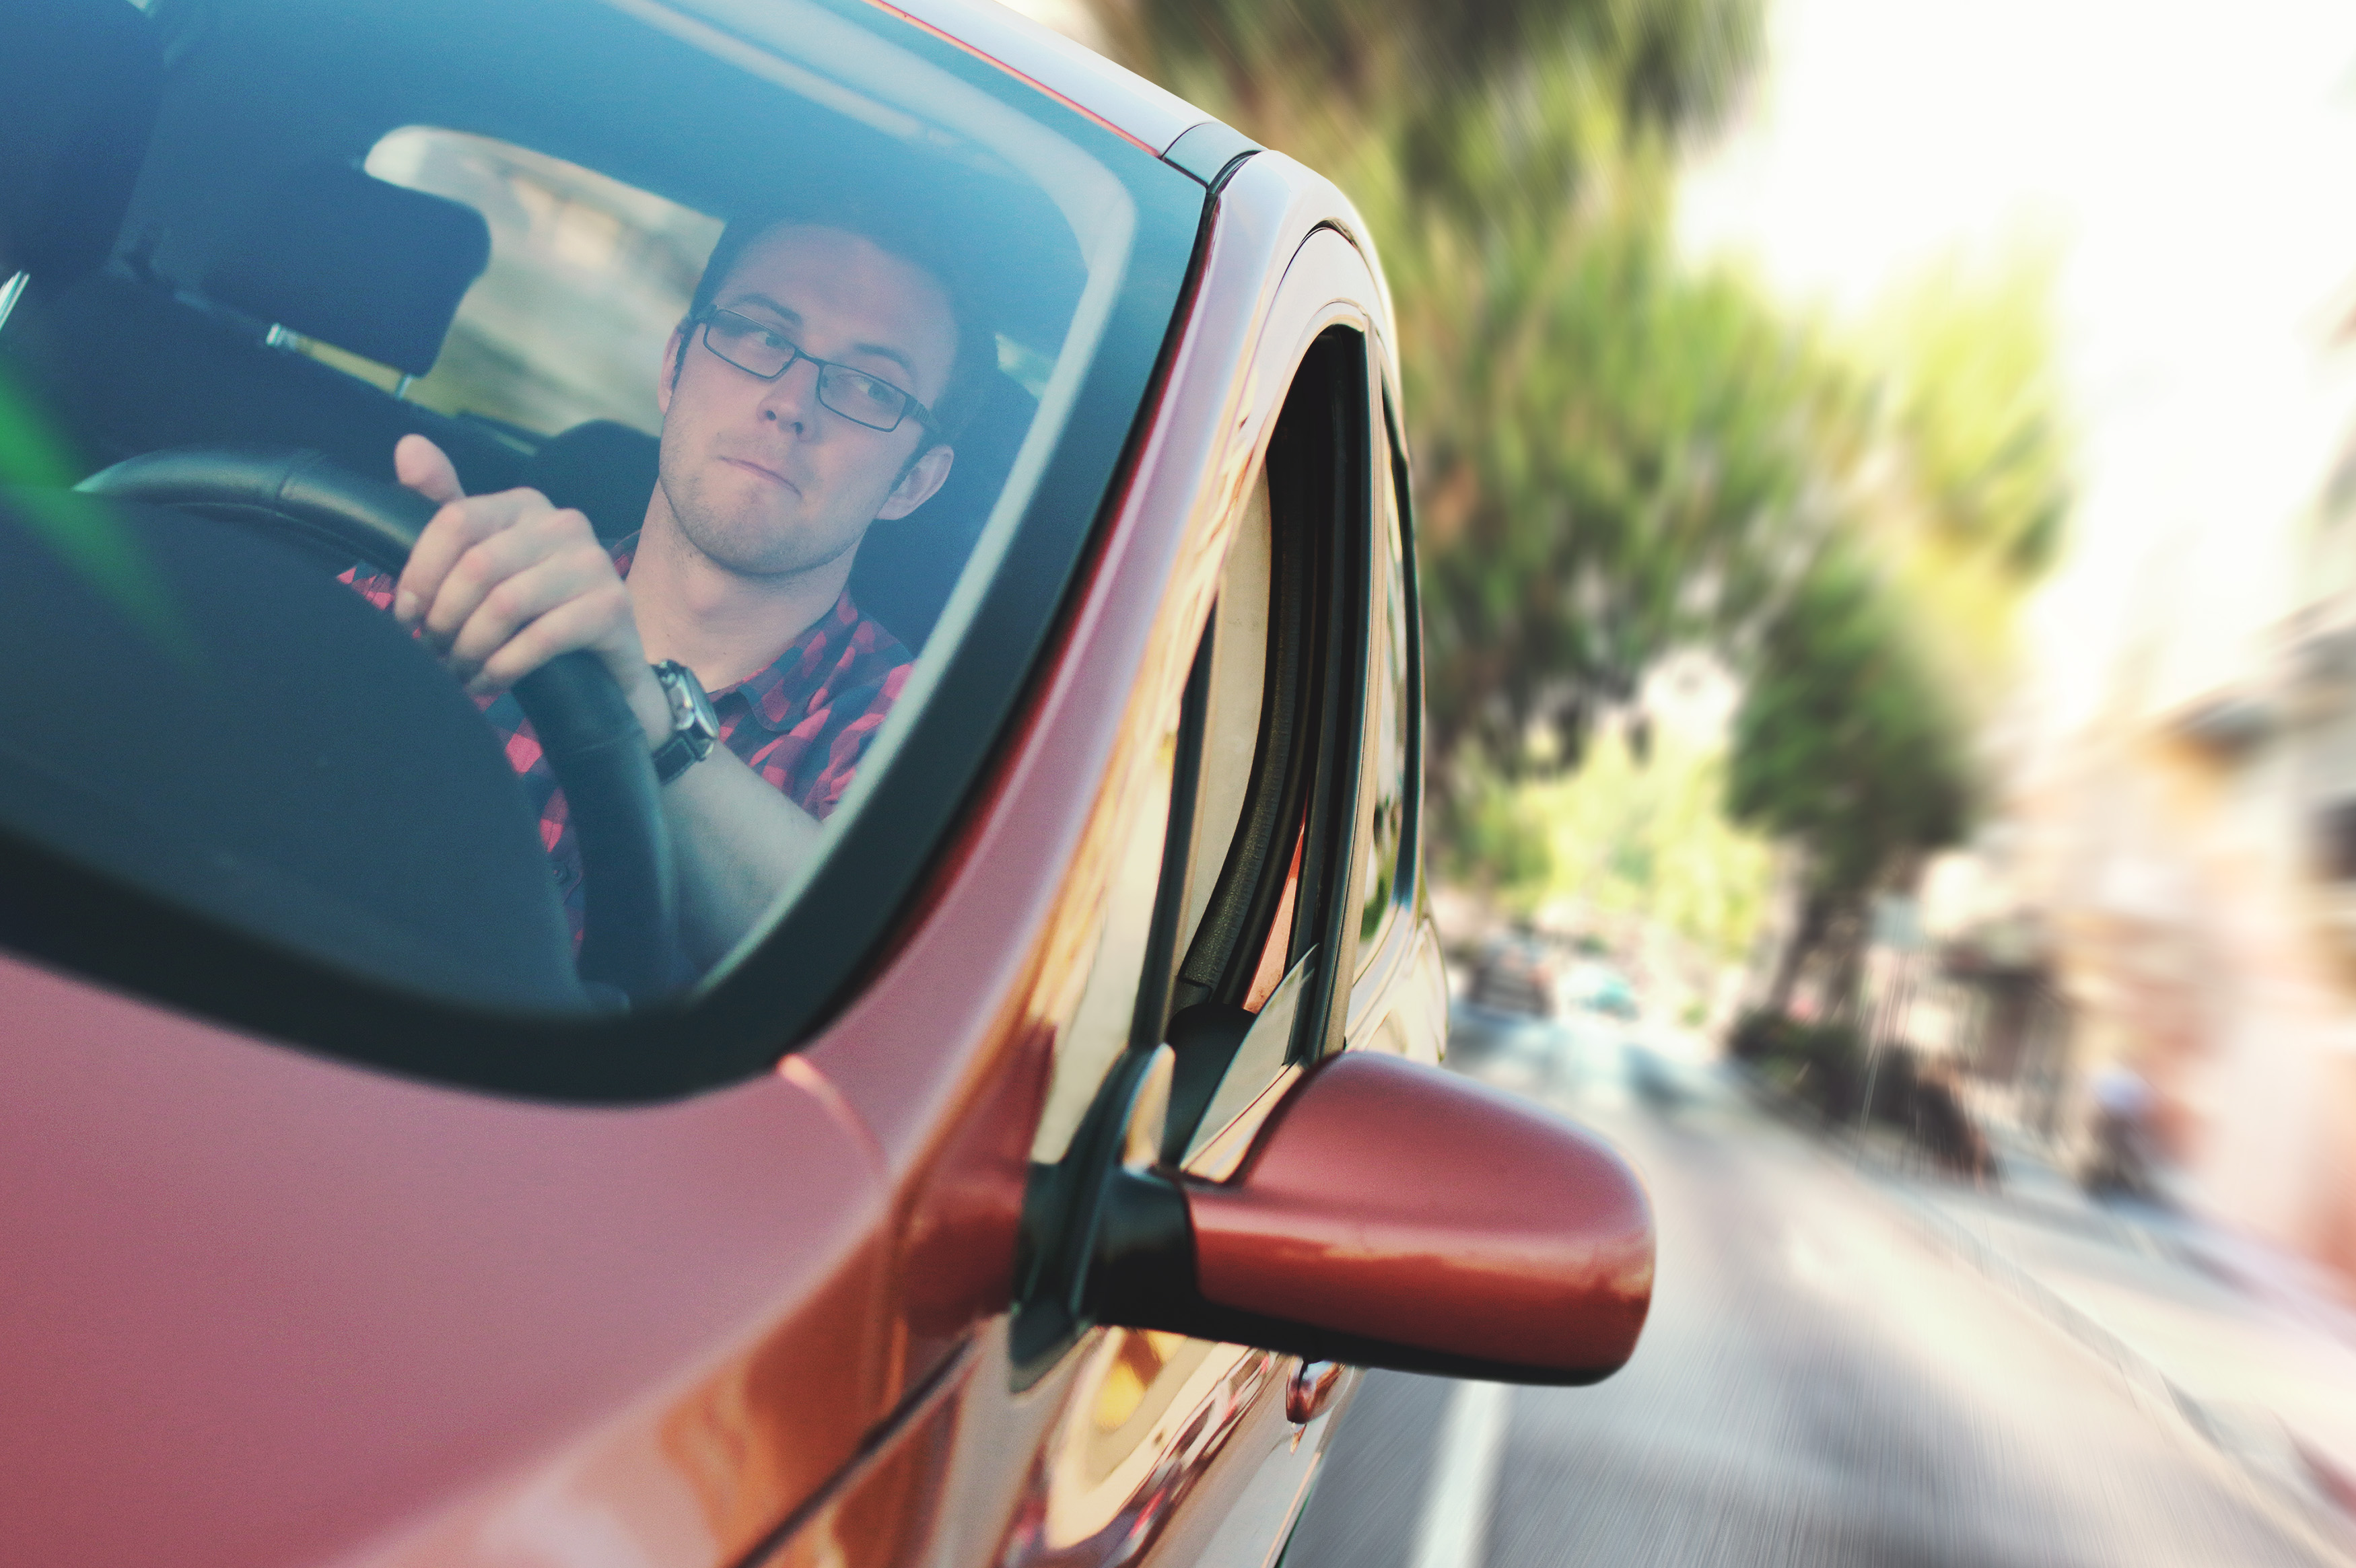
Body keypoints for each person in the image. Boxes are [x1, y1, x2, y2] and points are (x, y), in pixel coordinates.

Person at [347, 206, 992, 968]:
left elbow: (872, 981)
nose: (791, 402)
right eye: (762, 336)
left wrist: (654, 721)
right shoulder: (447, 580)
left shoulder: (928, 744)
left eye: (872, 388)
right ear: (673, 367)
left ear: (913, 482)